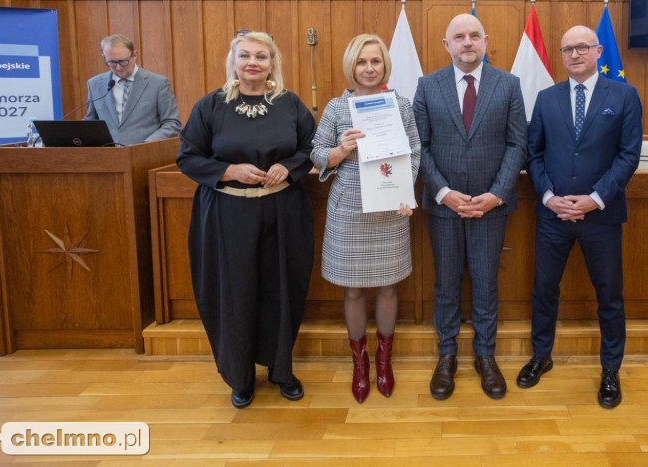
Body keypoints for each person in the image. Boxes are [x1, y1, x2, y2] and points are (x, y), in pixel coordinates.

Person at [176, 31, 316, 409]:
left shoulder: (289, 104)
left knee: (281, 290)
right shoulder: (211, 106)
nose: (253, 62)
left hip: (282, 211)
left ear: (273, 64)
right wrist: (229, 170)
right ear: (233, 61)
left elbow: (310, 149)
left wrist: (286, 168)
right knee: (234, 294)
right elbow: (187, 158)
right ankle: (240, 377)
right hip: (227, 215)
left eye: (261, 56)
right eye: (245, 56)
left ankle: (282, 370)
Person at [518, 25, 643, 409]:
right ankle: (542, 356)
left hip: (601, 218)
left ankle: (610, 370)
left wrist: (595, 198)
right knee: (544, 290)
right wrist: (549, 196)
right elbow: (532, 153)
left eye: (582, 47)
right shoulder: (546, 97)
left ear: (598, 50)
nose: (574, 54)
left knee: (609, 296)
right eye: (567, 48)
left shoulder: (623, 95)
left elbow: (628, 155)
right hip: (552, 215)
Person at [412, 13, 527, 400]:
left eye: (474, 36)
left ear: (485, 41)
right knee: (445, 285)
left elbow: (517, 144)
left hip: (490, 207)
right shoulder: (427, 86)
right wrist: (444, 192)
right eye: (458, 37)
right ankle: (446, 356)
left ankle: (485, 356)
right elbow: (420, 146)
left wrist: (497, 193)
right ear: (447, 45)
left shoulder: (508, 85)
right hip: (444, 206)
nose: (467, 42)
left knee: (485, 283)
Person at [310, 34, 421, 403]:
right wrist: (342, 149)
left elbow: (415, 150)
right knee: (353, 288)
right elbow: (316, 155)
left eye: (375, 61)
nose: (369, 68)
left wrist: (406, 192)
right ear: (351, 67)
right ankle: (360, 366)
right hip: (350, 210)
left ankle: (384, 361)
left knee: (389, 287)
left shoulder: (400, 105)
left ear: (384, 65)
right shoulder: (335, 107)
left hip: (390, 208)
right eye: (362, 62)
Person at [84, 34, 181, 144]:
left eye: (123, 61)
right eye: (112, 62)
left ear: (134, 55)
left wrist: (144, 146)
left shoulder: (158, 83)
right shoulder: (94, 84)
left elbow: (172, 123)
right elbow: (91, 122)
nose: (119, 67)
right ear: (104, 58)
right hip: (108, 156)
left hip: (145, 155)